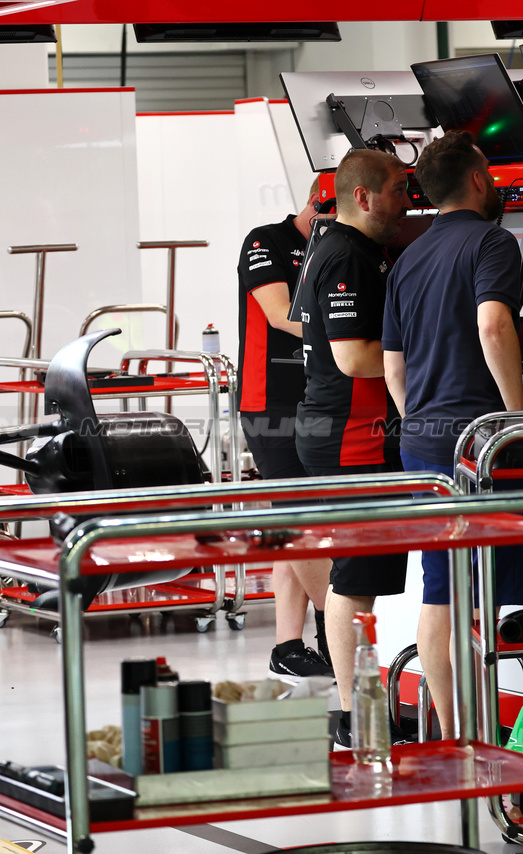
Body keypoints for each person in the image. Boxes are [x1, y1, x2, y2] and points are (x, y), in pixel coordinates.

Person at [382, 129, 523, 739]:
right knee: (485, 595)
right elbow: (494, 326)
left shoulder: (409, 256)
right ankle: (485, 735)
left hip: (422, 438)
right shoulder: (494, 241)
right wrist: (518, 418)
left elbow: (394, 366)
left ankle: (454, 735)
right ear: (477, 179)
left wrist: (420, 417)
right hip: (481, 439)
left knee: (440, 588)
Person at [293, 149, 411, 746]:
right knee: (354, 579)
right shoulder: (347, 255)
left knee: (357, 576)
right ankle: (355, 715)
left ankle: (355, 710)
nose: (407, 198)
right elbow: (352, 356)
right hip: (350, 434)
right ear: (362, 196)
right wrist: (431, 356)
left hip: (340, 428)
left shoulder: (334, 244)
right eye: (396, 187)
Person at [237, 177, 334, 680]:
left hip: (319, 397)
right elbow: (278, 314)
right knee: (297, 519)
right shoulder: (265, 241)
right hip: (269, 401)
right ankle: (337, 631)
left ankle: (288, 645)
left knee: (296, 520)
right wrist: (346, 330)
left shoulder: (340, 245)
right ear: (323, 204)